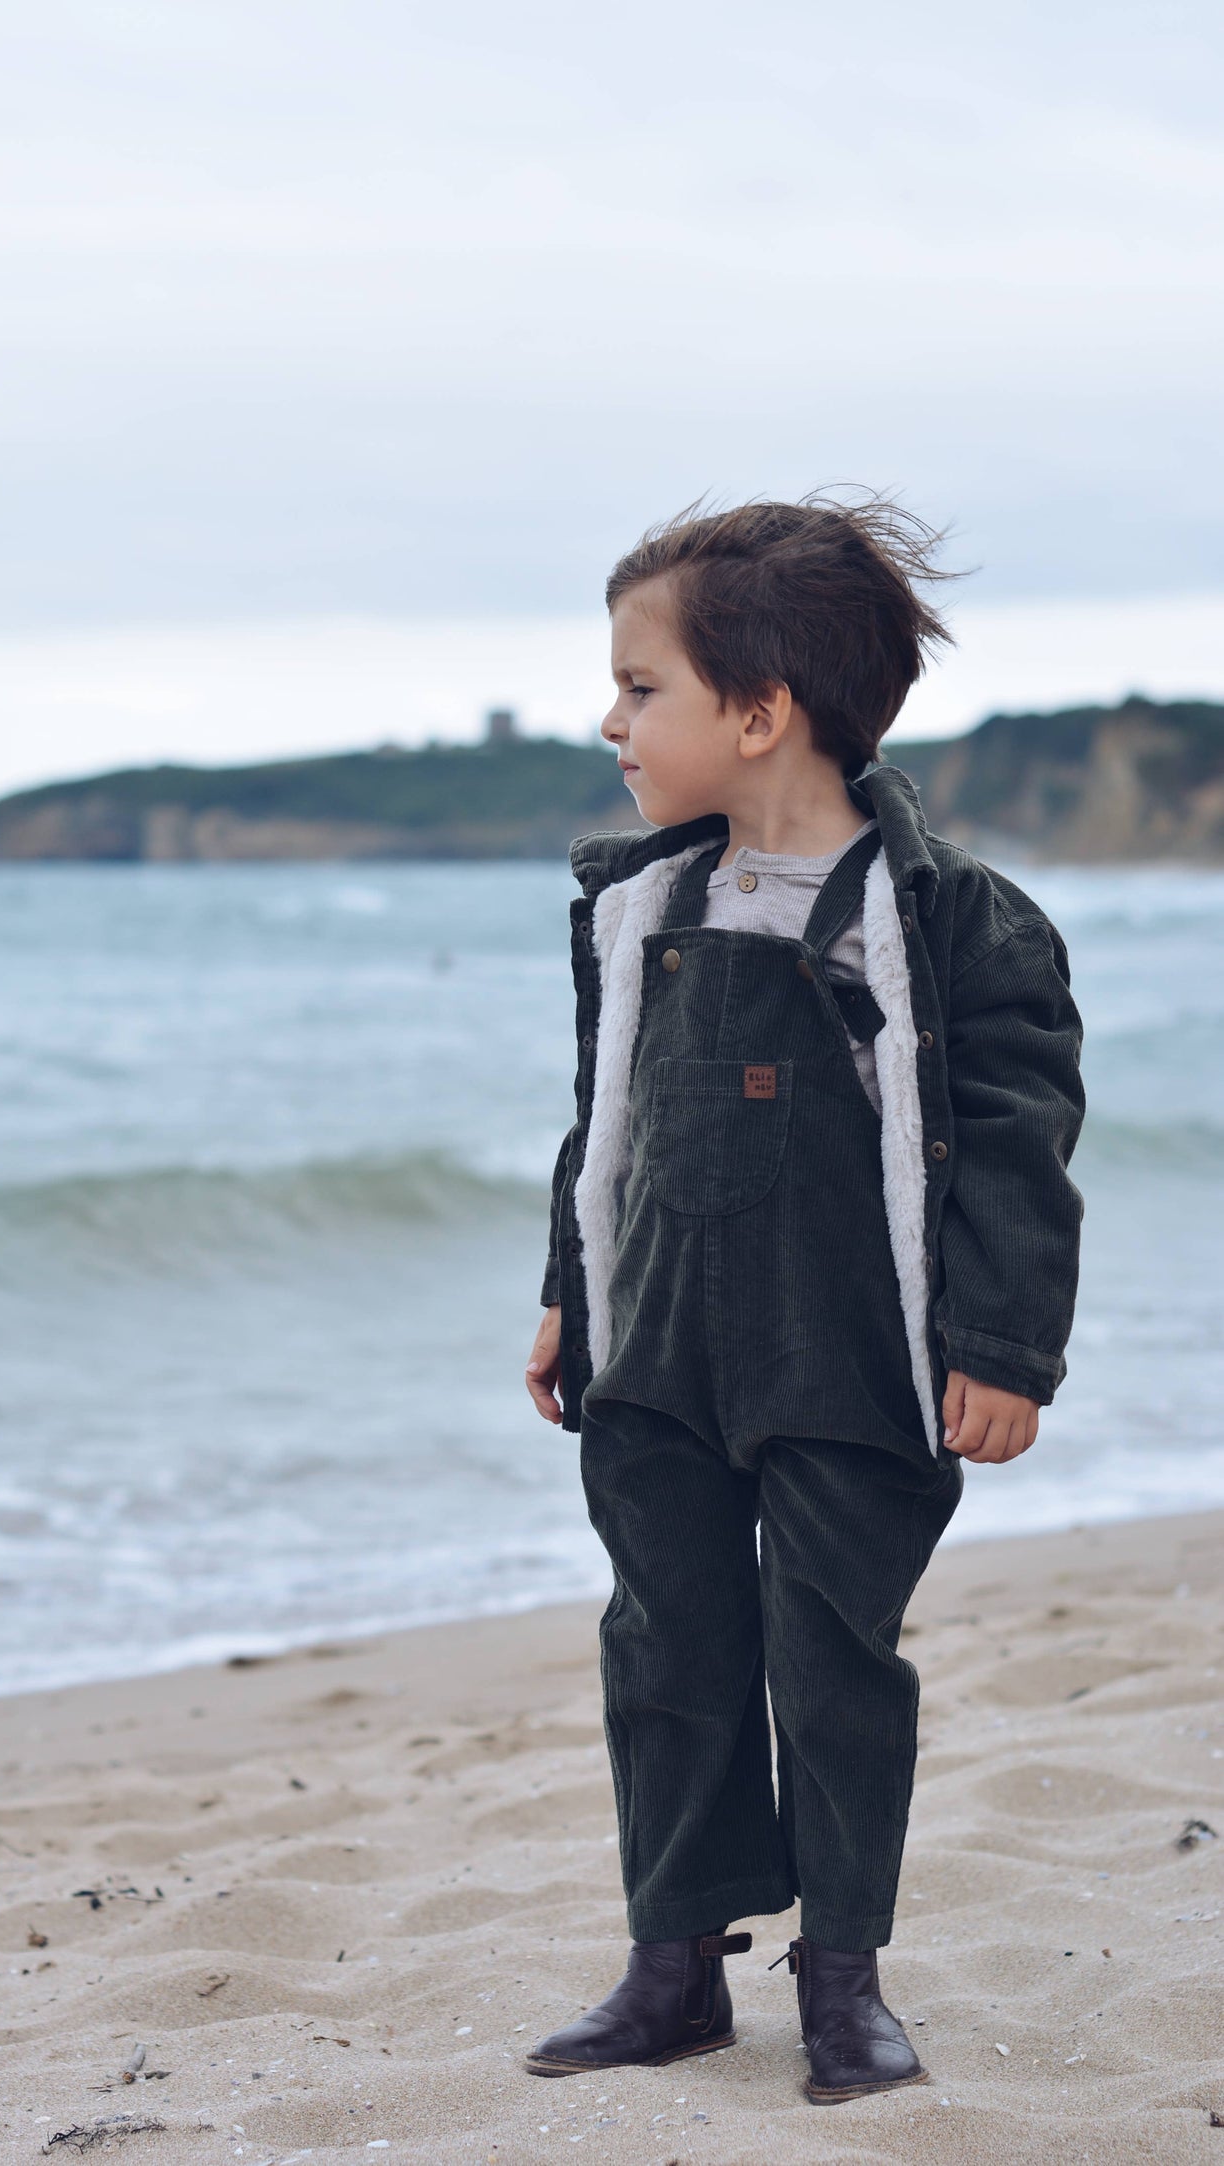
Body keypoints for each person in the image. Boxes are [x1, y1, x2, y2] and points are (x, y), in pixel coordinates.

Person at [521, 496, 1085, 2102]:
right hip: (660, 1340)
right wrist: (570, 1289)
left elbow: (1017, 1147)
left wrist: (999, 1344)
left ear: (757, 712)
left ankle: (842, 1976)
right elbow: (601, 1122)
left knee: (833, 1659)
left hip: (855, 1349)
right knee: (667, 1644)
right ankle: (671, 1964)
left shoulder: (951, 920)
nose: (610, 720)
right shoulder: (640, 905)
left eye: (643, 689)